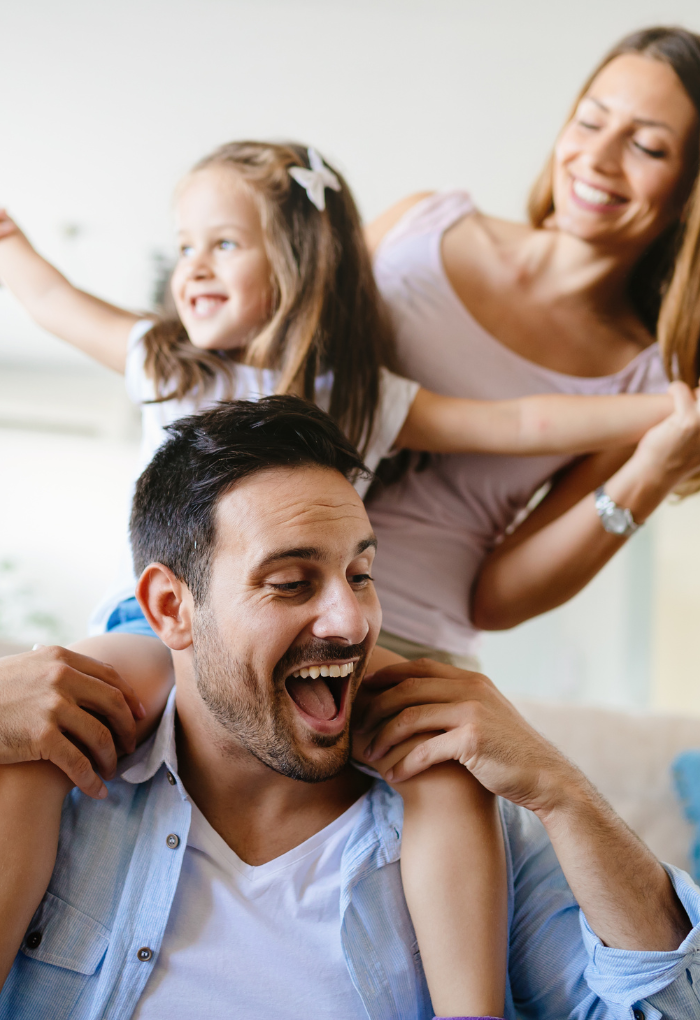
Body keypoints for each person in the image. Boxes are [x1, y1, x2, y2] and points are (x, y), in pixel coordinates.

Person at [0, 397, 697, 1020]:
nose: (351, 621)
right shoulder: (58, 776)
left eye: (361, 575)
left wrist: (566, 794)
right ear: (170, 608)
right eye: (291, 582)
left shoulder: (472, 812)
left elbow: (665, 1010)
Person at [0, 137, 684, 667]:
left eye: (225, 243)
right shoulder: (168, 361)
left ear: (296, 265)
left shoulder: (360, 400)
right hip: (163, 626)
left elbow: (519, 421)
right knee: (60, 695)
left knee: (453, 771)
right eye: (185, 246)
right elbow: (53, 299)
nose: (194, 266)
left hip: (293, 639)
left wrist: (667, 412)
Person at [365, 25, 700, 667]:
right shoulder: (419, 223)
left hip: (404, 645)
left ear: (691, 193)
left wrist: (652, 474)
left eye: (647, 147)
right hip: (245, 591)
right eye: (589, 121)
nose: (597, 159)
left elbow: (497, 601)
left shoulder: (648, 385)